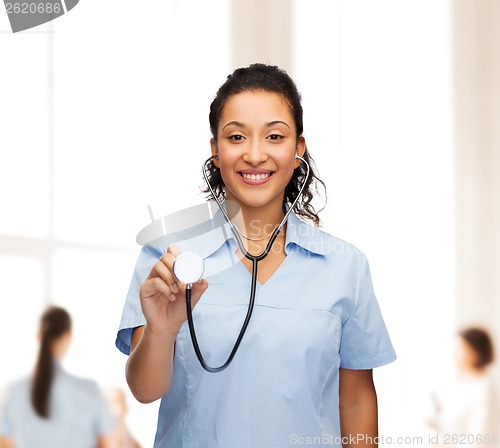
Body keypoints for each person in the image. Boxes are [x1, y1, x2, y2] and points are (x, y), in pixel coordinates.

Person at [116, 63, 397, 447]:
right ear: (215, 151)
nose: (254, 154)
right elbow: (145, 390)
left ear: (298, 150)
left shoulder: (346, 266)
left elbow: (356, 399)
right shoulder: (168, 259)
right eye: (236, 137)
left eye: (274, 136)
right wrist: (162, 330)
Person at [0, 305, 116, 448]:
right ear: (68, 336)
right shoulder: (89, 390)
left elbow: (4, 443)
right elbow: (104, 444)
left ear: (39, 335)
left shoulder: (13, 391)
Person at [426, 327, 497, 447]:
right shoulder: (465, 384)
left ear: (475, 353)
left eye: (460, 348)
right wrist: (439, 423)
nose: (454, 353)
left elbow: (480, 440)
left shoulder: (484, 389)